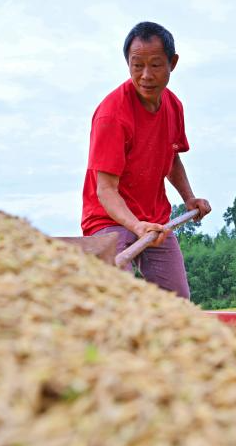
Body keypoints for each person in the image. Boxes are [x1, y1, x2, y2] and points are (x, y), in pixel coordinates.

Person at [81, 21, 211, 298]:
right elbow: (105, 190)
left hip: (155, 220)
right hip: (109, 219)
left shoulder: (173, 106)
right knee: (119, 299)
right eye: (137, 65)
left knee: (177, 301)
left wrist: (189, 198)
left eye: (155, 65)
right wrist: (136, 226)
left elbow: (171, 158)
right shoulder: (112, 115)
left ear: (172, 63)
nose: (146, 75)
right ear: (127, 63)